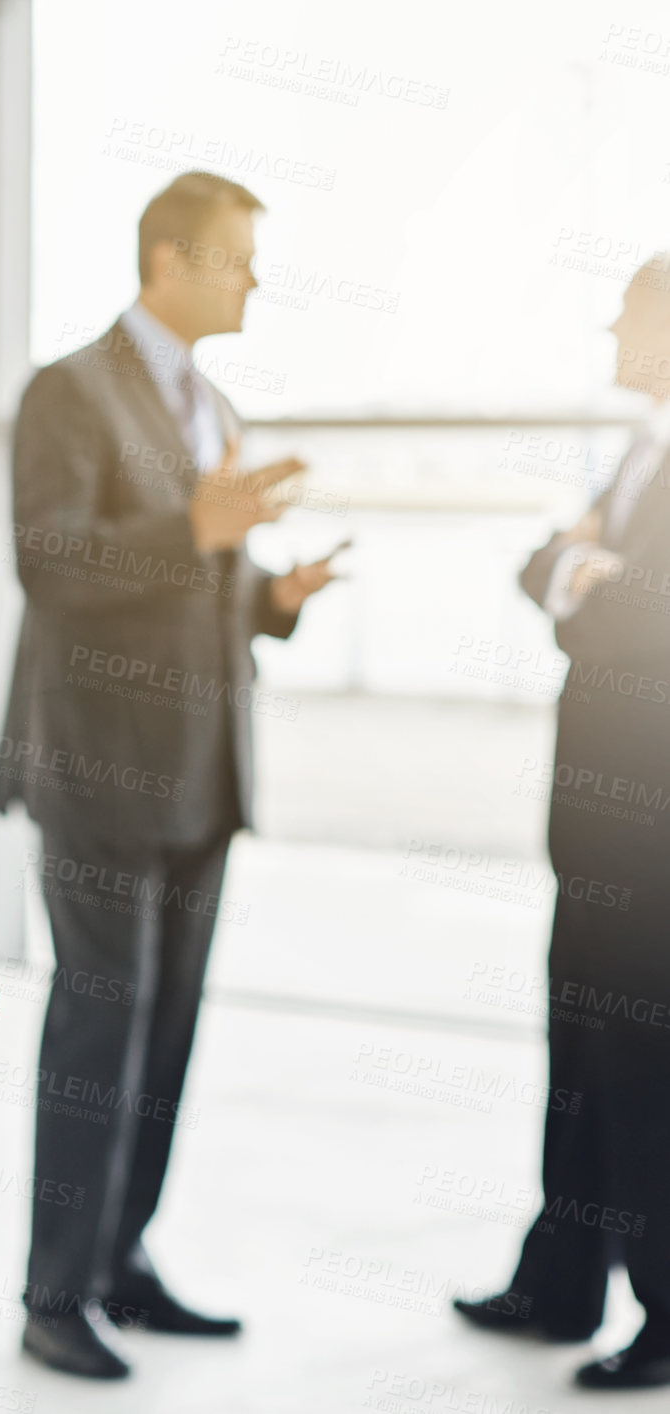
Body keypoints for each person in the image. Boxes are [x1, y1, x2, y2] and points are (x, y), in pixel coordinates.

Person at [0, 171, 341, 1379]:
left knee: (168, 1033)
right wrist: (196, 528)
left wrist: (274, 596)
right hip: (99, 766)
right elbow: (50, 560)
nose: (254, 281)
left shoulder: (216, 404)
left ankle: (119, 1262)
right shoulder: (68, 391)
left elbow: (209, 581)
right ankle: (54, 1293)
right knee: (100, 1026)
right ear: (171, 262)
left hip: (202, 772)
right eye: (239, 258)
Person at [454, 253, 670, 1390]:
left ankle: (666, 1312)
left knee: (644, 1067)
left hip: (655, 831)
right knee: (581, 1052)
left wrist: (585, 578)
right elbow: (546, 565)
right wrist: (587, 572)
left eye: (630, 313)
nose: (610, 331)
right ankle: (562, 1281)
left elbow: (641, 613)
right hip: (597, 824)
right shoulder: (644, 447)